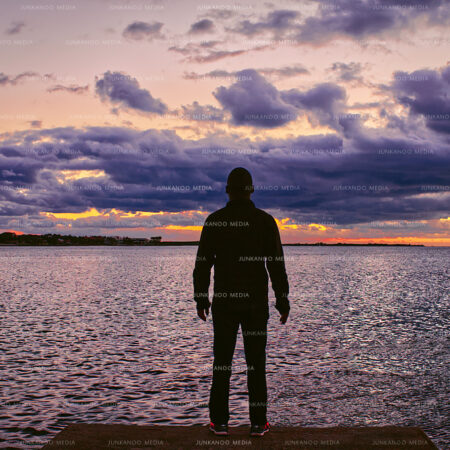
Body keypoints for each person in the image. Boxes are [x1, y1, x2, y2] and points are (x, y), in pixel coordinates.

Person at [193, 167, 290, 437]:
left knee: (222, 363)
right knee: (256, 363)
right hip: (255, 304)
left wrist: (201, 297)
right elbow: (276, 265)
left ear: (228, 191)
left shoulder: (215, 221)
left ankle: (219, 423)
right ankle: (258, 423)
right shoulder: (265, 222)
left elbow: (203, 264)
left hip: (224, 303)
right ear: (251, 191)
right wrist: (282, 300)